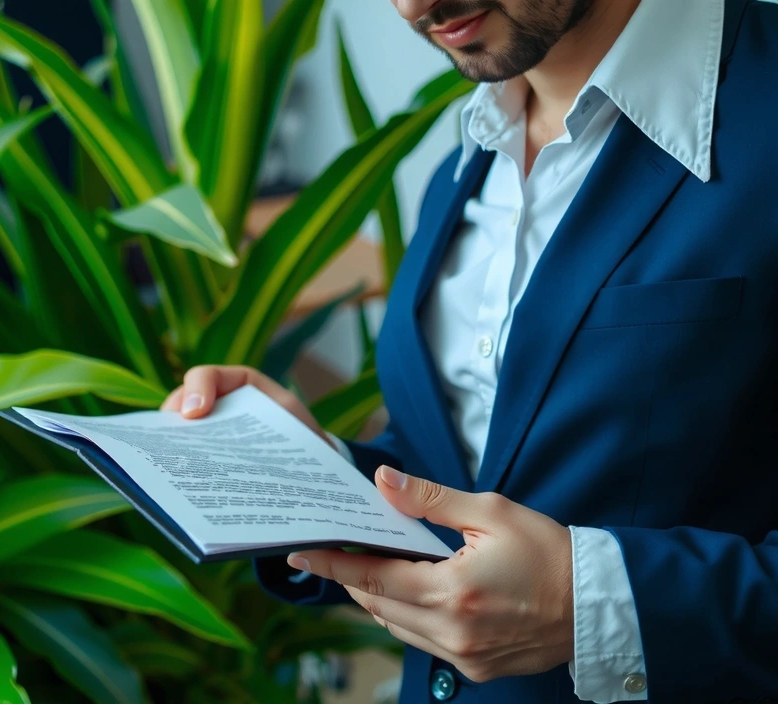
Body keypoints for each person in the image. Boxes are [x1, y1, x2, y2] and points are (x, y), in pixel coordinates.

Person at [162, 0, 778, 701]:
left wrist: (589, 607)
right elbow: (471, 468)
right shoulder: (469, 153)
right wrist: (318, 475)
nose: (412, 5)